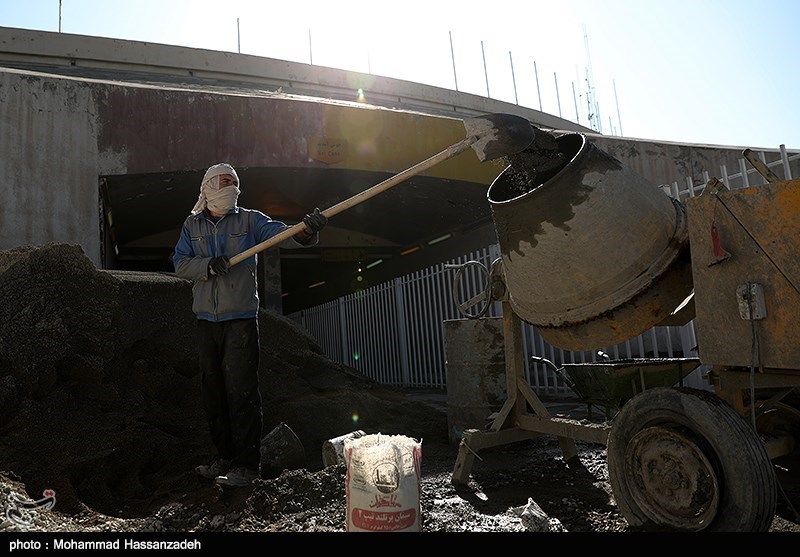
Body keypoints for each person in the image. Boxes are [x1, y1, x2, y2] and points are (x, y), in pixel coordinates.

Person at [173, 162, 327, 487]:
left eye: (233, 182)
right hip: (205, 322)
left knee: (241, 393)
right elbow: (180, 264)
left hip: (240, 320)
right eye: (223, 182)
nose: (230, 187)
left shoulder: (251, 220)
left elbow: (283, 235)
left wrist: (306, 230)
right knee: (213, 393)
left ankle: (247, 466)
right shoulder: (192, 225)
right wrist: (208, 266)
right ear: (208, 186)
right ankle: (224, 457)